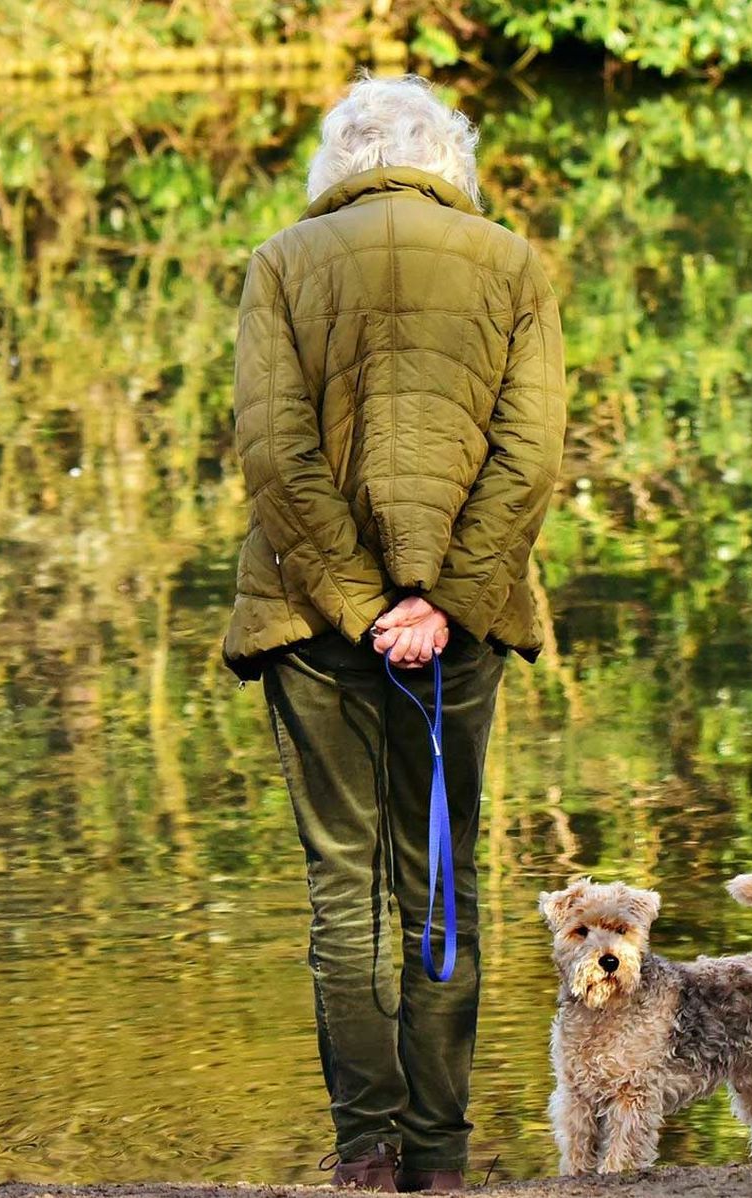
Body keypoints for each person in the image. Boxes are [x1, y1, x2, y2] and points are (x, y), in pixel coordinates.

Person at [221, 72, 566, 1191]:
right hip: (453, 629)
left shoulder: (280, 261)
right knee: (443, 878)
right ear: (444, 158)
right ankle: (443, 1155)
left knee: (342, 884)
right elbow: (530, 460)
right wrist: (440, 604)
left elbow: (274, 456)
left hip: (310, 619)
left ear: (340, 160)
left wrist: (363, 605)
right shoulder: (513, 262)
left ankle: (367, 1153)